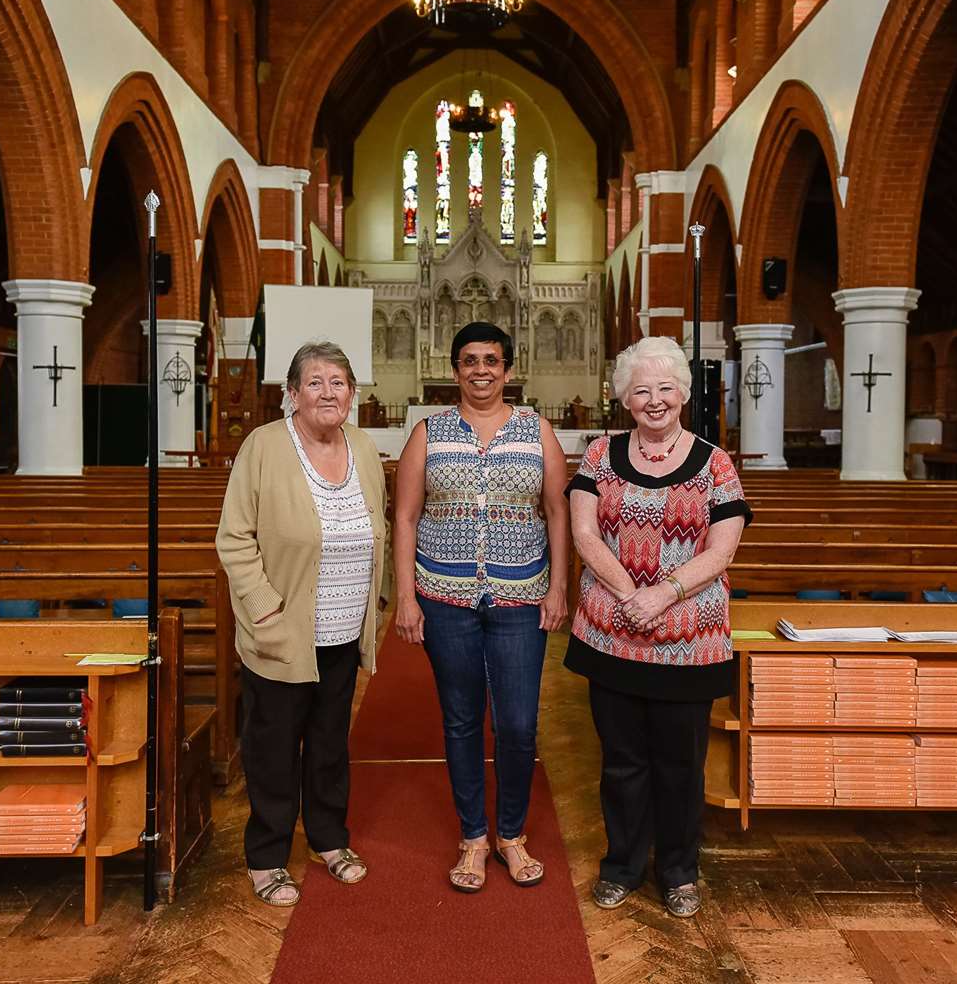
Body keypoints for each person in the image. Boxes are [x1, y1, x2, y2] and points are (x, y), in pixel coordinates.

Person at [565, 336, 751, 919]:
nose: (654, 400)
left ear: (683, 393)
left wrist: (664, 593)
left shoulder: (714, 462)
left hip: (689, 643)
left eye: (665, 388)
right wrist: (630, 595)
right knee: (621, 761)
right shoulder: (599, 455)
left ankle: (677, 871)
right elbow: (584, 534)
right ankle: (622, 864)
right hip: (611, 634)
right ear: (624, 397)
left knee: (679, 762)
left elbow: (723, 550)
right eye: (641, 389)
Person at [393, 321, 570, 893]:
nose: (481, 370)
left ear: (508, 370)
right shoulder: (429, 433)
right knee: (463, 719)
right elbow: (405, 516)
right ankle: (473, 836)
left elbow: (559, 513)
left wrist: (560, 587)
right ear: (455, 370)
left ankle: (511, 835)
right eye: (470, 360)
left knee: (518, 724)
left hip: (522, 594)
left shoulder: (536, 430)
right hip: (444, 596)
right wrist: (404, 598)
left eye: (491, 360)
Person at [216, 341, 389, 907]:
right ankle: (266, 857)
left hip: (342, 631)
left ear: (352, 394)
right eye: (314, 382)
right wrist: (265, 608)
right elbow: (234, 538)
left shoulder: (362, 446)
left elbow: (378, 523)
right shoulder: (263, 446)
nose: (327, 392)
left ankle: (329, 839)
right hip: (282, 632)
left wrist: (377, 601)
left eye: (338, 382)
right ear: (292, 393)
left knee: (329, 744)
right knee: (271, 748)